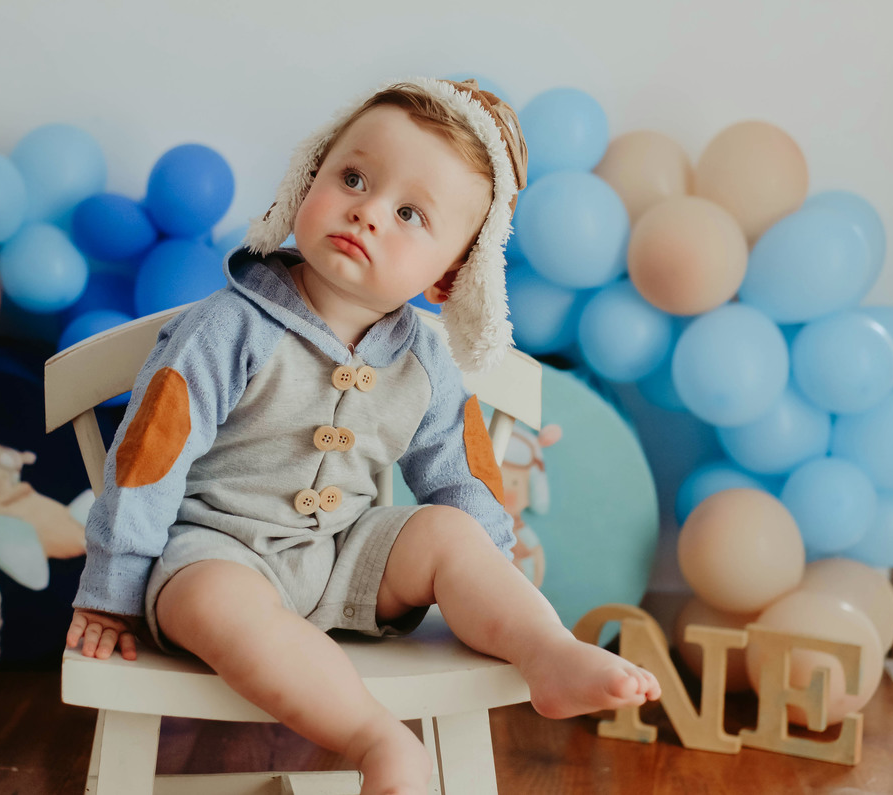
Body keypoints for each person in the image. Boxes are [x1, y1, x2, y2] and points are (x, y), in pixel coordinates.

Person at [66, 77, 660, 794]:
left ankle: (547, 653)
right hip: (216, 550)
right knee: (213, 600)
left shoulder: (426, 360)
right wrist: (113, 587)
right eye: (352, 178)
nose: (367, 211)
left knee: (450, 530)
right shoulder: (229, 327)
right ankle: (375, 738)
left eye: (410, 213)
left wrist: (485, 585)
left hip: (343, 553)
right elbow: (149, 457)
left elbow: (464, 480)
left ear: (448, 278)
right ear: (306, 181)